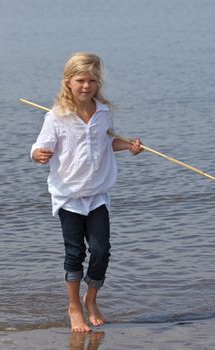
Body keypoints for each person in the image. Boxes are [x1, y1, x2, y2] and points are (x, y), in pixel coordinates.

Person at [30, 52, 142, 332]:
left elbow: (107, 143)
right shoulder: (56, 117)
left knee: (102, 251)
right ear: (68, 82)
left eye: (92, 80)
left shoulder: (103, 112)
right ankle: (74, 307)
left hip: (97, 195)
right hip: (68, 197)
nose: (86, 86)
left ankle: (91, 299)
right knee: (74, 253)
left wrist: (128, 146)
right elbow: (39, 148)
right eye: (80, 80)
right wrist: (38, 155)